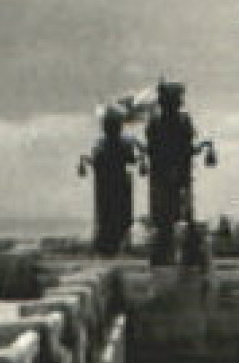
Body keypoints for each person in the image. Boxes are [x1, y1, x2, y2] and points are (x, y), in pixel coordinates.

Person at [144, 81, 212, 265]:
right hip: (176, 180)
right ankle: (182, 259)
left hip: (165, 181)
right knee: (178, 220)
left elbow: (152, 150)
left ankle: (169, 259)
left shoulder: (157, 122)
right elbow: (187, 148)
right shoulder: (181, 121)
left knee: (166, 224)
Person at [81, 107, 142, 256]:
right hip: (118, 183)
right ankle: (115, 245)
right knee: (119, 216)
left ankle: (108, 246)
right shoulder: (124, 142)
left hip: (106, 184)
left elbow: (96, 160)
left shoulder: (100, 143)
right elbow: (132, 159)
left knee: (108, 216)